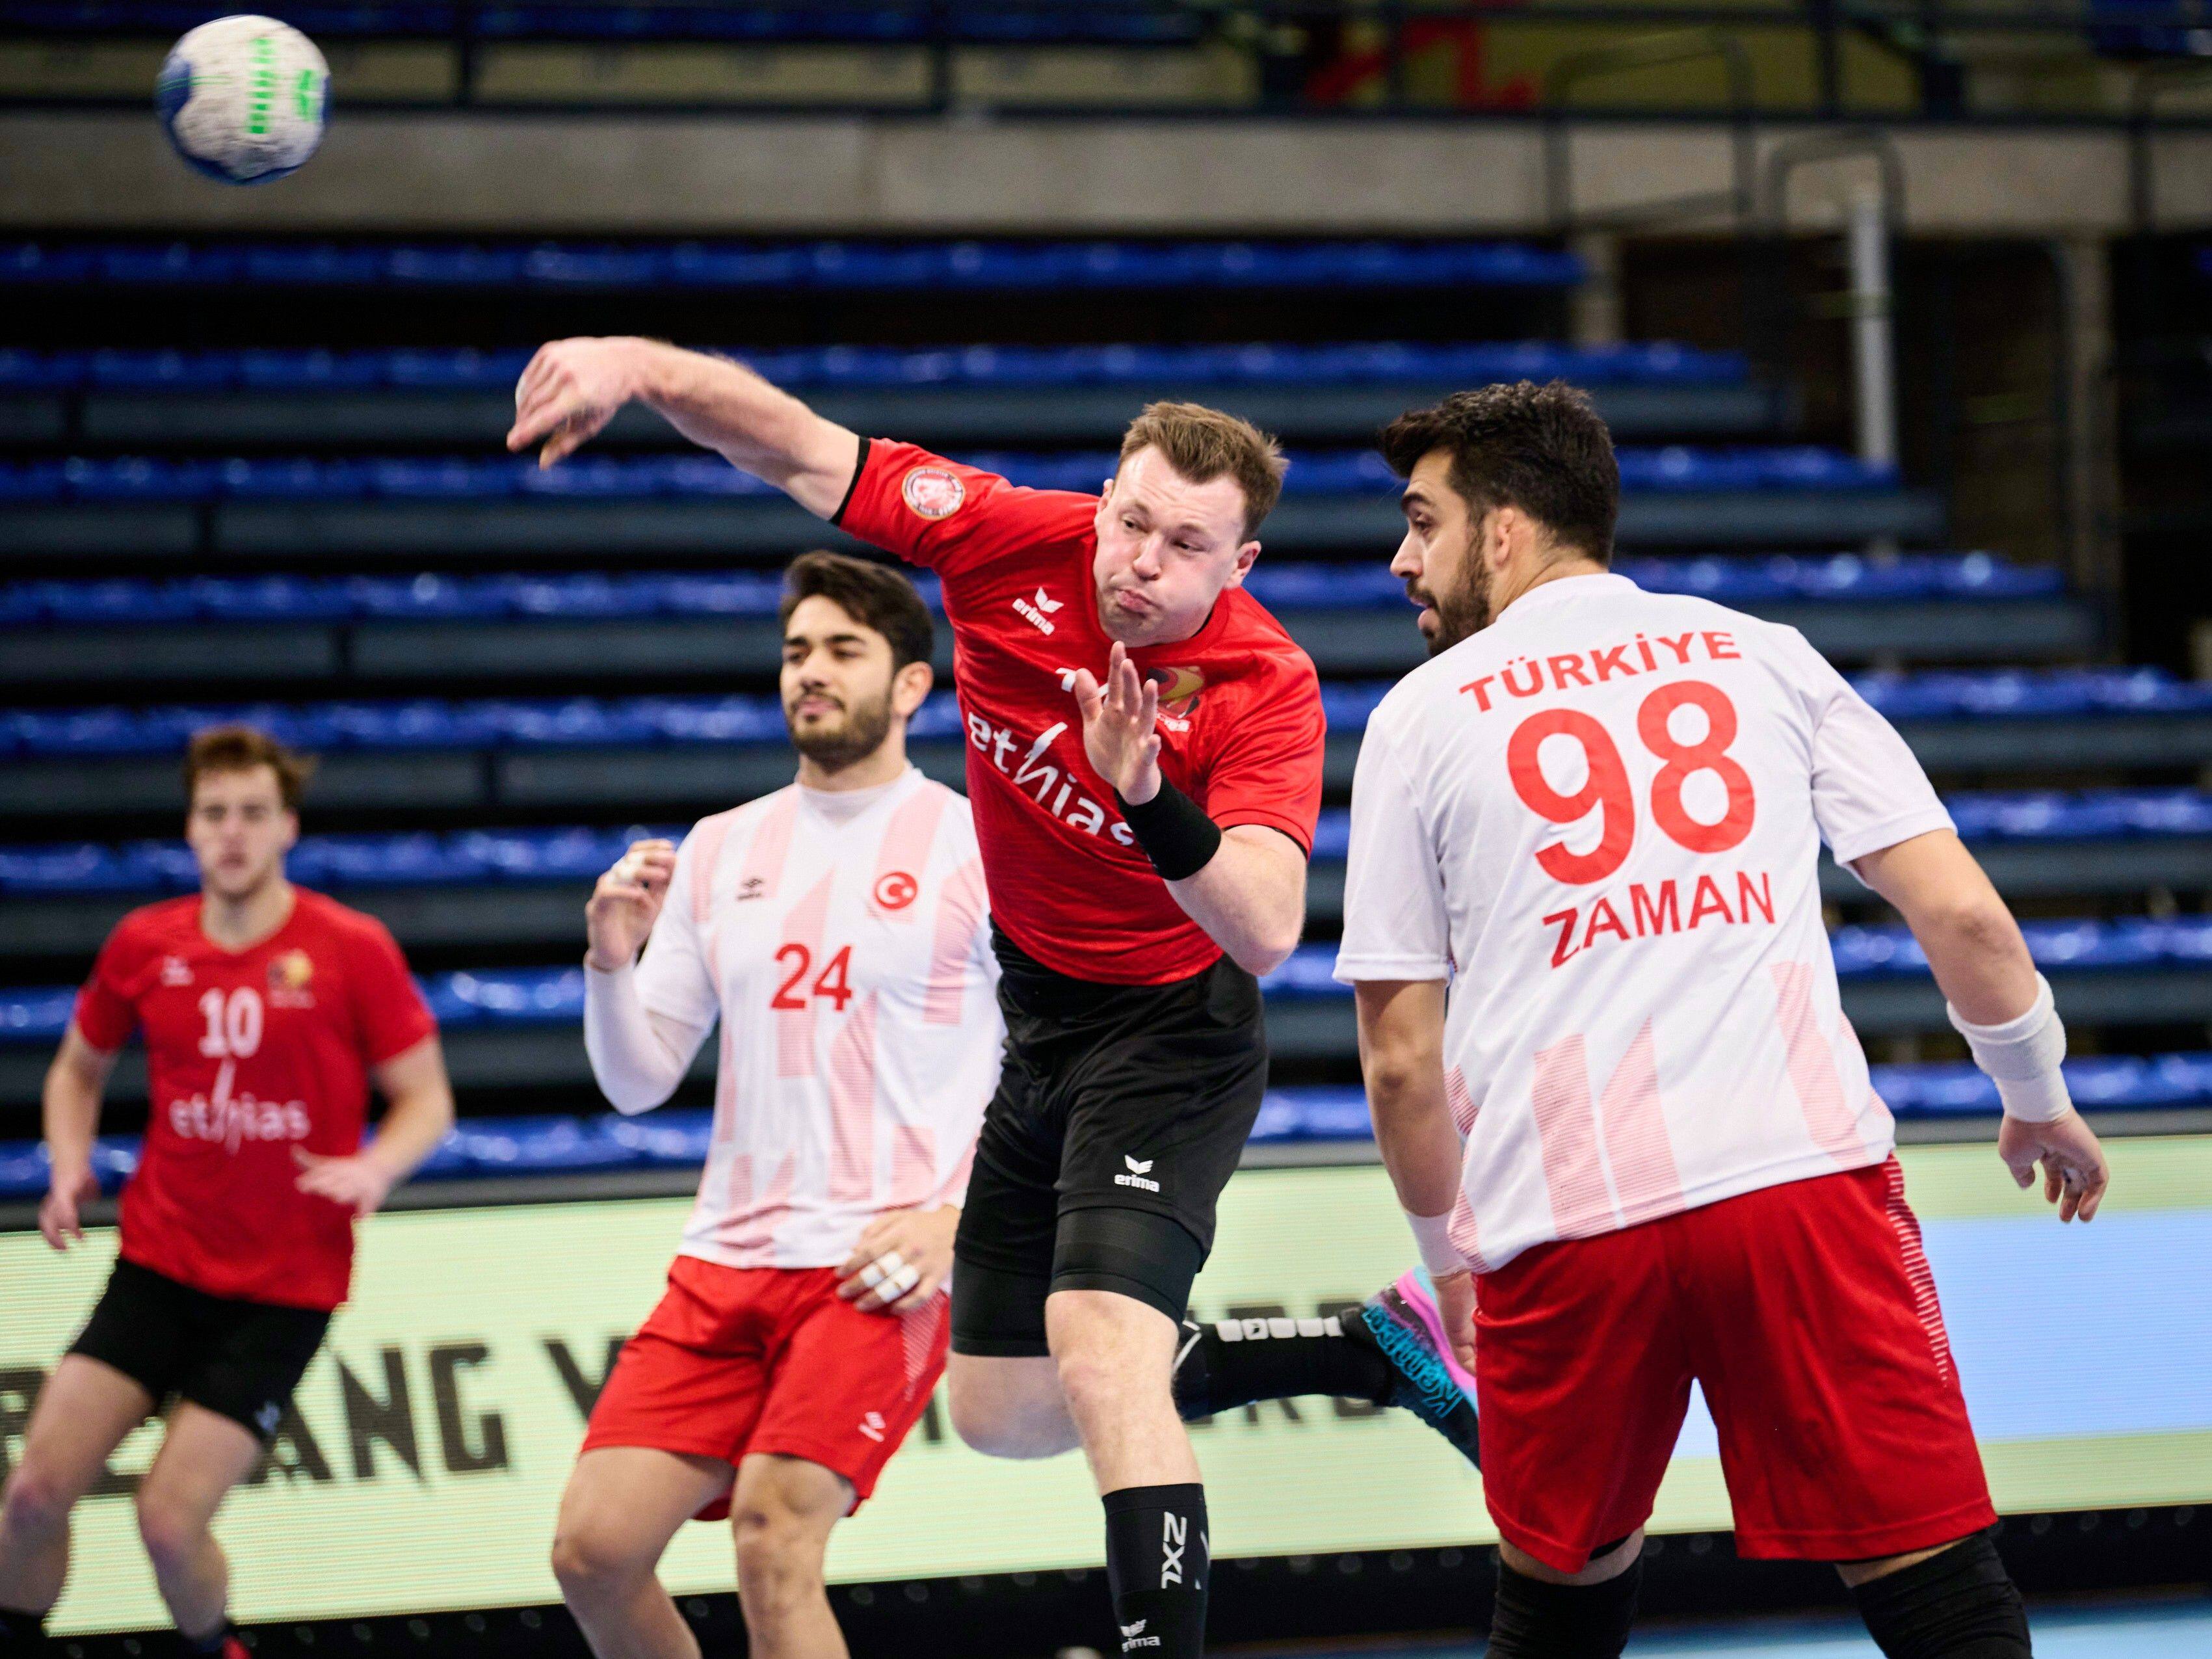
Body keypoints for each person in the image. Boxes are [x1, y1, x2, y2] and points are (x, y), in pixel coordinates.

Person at [510, 341, 1477, 1659]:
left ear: (1236, 566)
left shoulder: (1265, 683)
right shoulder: (1003, 542)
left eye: (1183, 545)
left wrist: (1144, 790)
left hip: (1170, 1029)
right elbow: (797, 443)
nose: (1139, 562)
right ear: (1102, 497)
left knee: (1098, 1340)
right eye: (1128, 521)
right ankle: (1364, 1348)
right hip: (1042, 1020)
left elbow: (1260, 928)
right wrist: (638, 365)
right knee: (1004, 1408)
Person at [1336, 380, 2112, 1659]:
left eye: (1424, 522)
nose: (1401, 558)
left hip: (1564, 1220)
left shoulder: (1420, 718)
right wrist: (2035, 1092)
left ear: (1507, 529)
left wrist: (1451, 1267)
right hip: (1797, 1183)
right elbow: (1965, 917)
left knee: (1556, 1605)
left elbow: (1400, 1059)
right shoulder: (1766, 652)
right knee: (1940, 1596)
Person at [549, 553, 1003, 1659]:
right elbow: (637, 1079)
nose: (811, 672)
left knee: (772, 1541)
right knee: (593, 1553)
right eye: (797, 650)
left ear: (908, 685)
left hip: (875, 1261)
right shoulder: (720, 847)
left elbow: (1054, 1065)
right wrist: (610, 960)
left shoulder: (971, 841)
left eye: (843, 650)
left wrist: (960, 1221)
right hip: (724, 1262)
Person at [0, 725, 454, 1659]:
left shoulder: (348, 947)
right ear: (191, 828)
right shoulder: (146, 943)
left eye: (253, 813)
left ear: (287, 826)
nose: (233, 833)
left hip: (281, 1291)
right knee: (34, 1493)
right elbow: (76, 1071)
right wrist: (66, 1163)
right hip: (160, 1264)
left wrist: (374, 1166)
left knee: (168, 1521)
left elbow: (427, 1098)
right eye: (215, 814)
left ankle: (220, 1650)